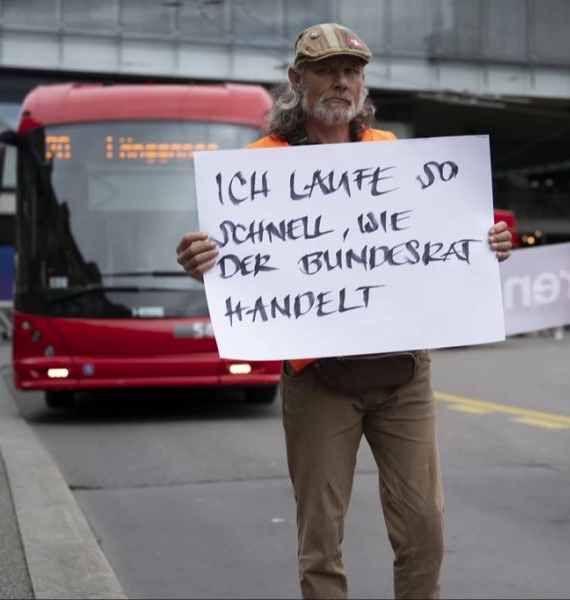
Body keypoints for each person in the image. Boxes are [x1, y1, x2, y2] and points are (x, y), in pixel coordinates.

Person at [175, 23, 513, 599]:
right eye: (327, 69)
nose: (341, 81)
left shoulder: (396, 155)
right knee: (321, 538)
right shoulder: (257, 167)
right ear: (296, 79)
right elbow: (229, 256)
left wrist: (488, 246)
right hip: (318, 379)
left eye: (352, 71)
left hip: (403, 371)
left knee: (424, 526)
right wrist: (198, 256)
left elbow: (442, 243)